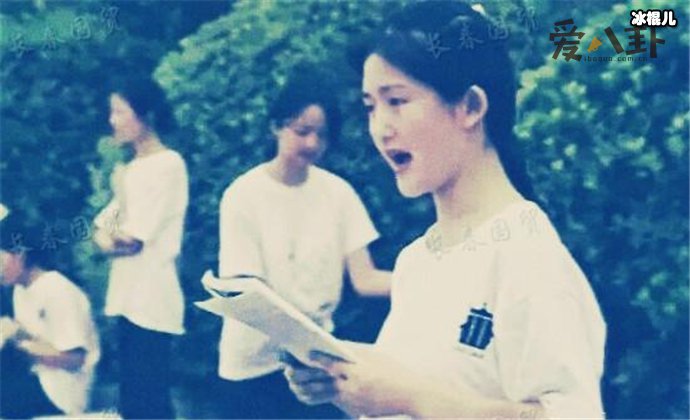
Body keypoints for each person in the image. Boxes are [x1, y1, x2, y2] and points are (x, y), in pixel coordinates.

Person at [284, 2, 607, 419]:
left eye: (397, 100)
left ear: (470, 106)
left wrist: (413, 398)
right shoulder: (417, 260)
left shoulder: (529, 257)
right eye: (371, 107)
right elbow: (419, 384)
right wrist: (343, 376)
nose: (380, 128)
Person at [216, 68, 391, 419]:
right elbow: (247, 288)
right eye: (302, 131)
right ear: (276, 127)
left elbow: (365, 278)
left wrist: (429, 281)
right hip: (253, 366)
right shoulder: (243, 195)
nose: (312, 143)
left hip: (315, 364)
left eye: (321, 135)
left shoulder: (338, 193)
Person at [93, 77, 188, 419]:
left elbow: (131, 239)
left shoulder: (168, 165)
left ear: (144, 114)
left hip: (152, 299)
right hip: (127, 296)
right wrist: (109, 237)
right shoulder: (131, 169)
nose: (113, 120)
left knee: (150, 401)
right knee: (132, 401)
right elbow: (102, 229)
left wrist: (111, 236)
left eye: (120, 112)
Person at [0, 214, 100, 418]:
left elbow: (75, 358)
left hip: (58, 390)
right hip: (33, 378)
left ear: (20, 255)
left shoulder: (57, 290)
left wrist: (17, 345)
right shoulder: (20, 290)